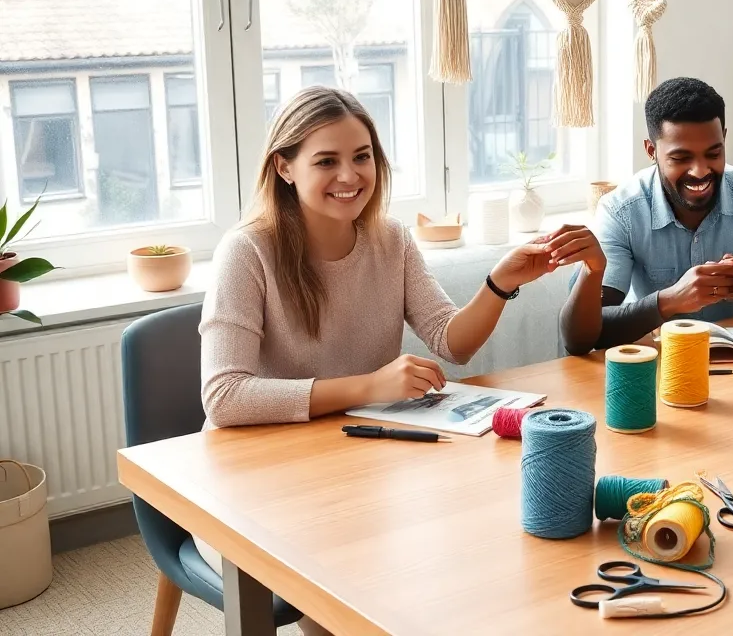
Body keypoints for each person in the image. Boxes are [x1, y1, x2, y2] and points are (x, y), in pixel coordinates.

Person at [196, 87, 600, 629]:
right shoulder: (246, 251)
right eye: (326, 161)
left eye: (362, 156)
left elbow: (452, 343)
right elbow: (225, 398)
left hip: (357, 461)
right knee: (347, 585)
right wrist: (368, 387)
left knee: (450, 564)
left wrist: (500, 282)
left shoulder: (390, 239)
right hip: (257, 477)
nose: (350, 176)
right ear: (284, 168)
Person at [560, 77, 733, 354]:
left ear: (724, 140)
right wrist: (669, 301)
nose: (700, 171)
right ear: (652, 151)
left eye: (713, 154)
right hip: (656, 366)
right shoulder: (621, 211)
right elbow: (580, 339)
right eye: (681, 158)